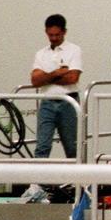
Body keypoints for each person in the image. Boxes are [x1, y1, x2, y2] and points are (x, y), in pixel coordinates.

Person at [30, 14, 81, 159]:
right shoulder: (41, 54)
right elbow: (34, 81)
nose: (53, 38)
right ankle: (39, 180)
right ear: (46, 32)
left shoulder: (74, 50)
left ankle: (77, 180)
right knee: (42, 146)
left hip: (69, 102)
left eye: (57, 35)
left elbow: (73, 77)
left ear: (64, 32)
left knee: (72, 146)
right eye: (50, 34)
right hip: (47, 102)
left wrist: (45, 77)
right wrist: (57, 73)